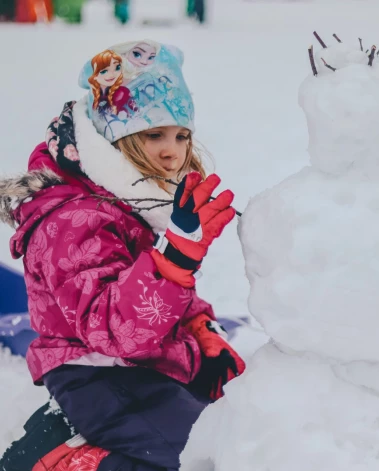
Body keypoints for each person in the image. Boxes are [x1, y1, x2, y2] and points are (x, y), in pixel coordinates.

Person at [0, 39, 244, 471]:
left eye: (181, 135)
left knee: (237, 429)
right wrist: (174, 260)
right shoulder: (72, 221)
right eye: (154, 134)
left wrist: (199, 325)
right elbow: (110, 332)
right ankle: (66, 459)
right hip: (99, 374)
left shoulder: (136, 199)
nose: (173, 150)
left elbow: (166, 293)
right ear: (116, 137)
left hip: (152, 362)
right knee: (199, 460)